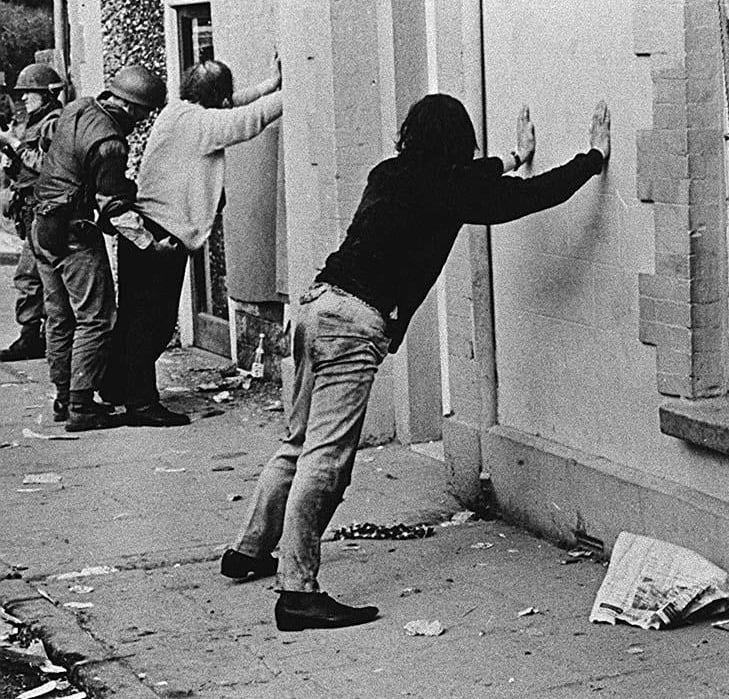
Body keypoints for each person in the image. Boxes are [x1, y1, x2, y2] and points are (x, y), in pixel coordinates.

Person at [222, 94, 611, 631]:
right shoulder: (451, 190)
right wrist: (591, 157)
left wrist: (511, 158)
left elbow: (467, 181)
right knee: (328, 459)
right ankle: (298, 593)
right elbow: (528, 198)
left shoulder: (389, 174)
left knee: (296, 443)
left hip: (316, 306)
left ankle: (249, 551)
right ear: (458, 141)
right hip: (353, 326)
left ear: (412, 135)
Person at [100, 57, 282, 427]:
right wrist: (292, 91)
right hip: (160, 236)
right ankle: (140, 404)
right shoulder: (202, 123)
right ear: (218, 95)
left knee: (135, 319)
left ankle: (116, 386)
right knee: (151, 323)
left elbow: (232, 106)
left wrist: (269, 84)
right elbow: (246, 119)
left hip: (145, 229)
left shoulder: (177, 113)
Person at [28, 65, 166, 432]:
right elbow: (113, 207)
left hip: (42, 228)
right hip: (74, 234)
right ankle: (82, 406)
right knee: (97, 318)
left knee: (59, 317)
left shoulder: (76, 108)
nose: (142, 122)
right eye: (143, 113)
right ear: (132, 108)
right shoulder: (111, 144)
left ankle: (62, 396)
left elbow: (51, 152)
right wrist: (151, 244)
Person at [0, 63, 63, 361]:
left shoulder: (54, 122)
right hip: (31, 210)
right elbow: (24, 168)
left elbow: (49, 166)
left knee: (34, 277)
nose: (24, 98)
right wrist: (11, 157)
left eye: (31, 93)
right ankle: (33, 337)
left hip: (46, 211)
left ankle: (38, 339)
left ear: (48, 94)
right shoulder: (34, 123)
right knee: (30, 277)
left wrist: (14, 143)